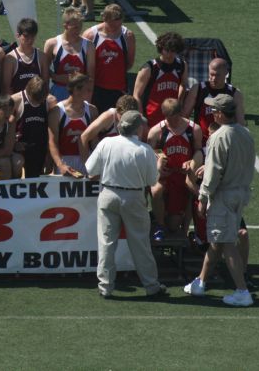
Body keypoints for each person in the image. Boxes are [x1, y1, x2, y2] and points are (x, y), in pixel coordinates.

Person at [86, 110, 167, 298]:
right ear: (138, 128)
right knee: (140, 244)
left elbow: (90, 169)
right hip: (133, 197)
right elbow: (152, 180)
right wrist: (159, 166)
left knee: (106, 243)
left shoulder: (106, 143)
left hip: (108, 193)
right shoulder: (144, 150)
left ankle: (105, 286)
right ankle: (151, 286)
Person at [183, 95, 255, 306]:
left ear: (222, 114)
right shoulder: (246, 133)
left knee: (224, 242)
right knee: (217, 240)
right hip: (241, 192)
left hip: (224, 195)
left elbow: (213, 172)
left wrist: (203, 198)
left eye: (214, 110)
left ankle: (242, 291)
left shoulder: (218, 137)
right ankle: (200, 282)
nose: (212, 113)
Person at [146, 98, 203, 240]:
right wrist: (158, 160)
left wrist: (192, 162)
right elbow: (148, 153)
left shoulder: (193, 129)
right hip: (165, 175)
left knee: (173, 225)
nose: (171, 123)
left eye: (175, 119)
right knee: (156, 189)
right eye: (168, 119)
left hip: (183, 176)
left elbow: (199, 151)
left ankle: (185, 230)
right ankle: (159, 225)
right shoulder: (156, 132)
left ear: (180, 114)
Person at [82, 3, 135, 112]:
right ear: (104, 19)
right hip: (96, 88)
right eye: (112, 25)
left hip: (119, 89)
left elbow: (129, 63)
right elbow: (83, 63)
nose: (115, 28)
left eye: (118, 25)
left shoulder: (127, 36)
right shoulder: (91, 35)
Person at [182, 58, 245, 144]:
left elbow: (240, 124)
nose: (213, 78)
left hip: (225, 141)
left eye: (217, 75)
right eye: (211, 74)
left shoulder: (235, 93)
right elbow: (185, 117)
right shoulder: (197, 89)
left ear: (226, 73)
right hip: (201, 142)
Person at [133, 31, 188, 127]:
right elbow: (136, 95)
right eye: (167, 50)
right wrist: (141, 118)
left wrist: (179, 102)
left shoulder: (182, 65)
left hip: (172, 116)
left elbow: (183, 84)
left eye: (173, 51)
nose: (169, 54)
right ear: (161, 49)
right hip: (150, 117)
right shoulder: (149, 67)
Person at [48, 73, 98, 176]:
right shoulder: (57, 111)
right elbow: (52, 142)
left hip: (86, 161)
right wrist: (60, 165)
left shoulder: (92, 110)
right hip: (64, 162)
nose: (90, 92)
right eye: (87, 90)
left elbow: (94, 142)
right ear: (76, 90)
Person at [44, 8, 94, 101]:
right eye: (75, 27)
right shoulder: (51, 43)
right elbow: (44, 71)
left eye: (80, 26)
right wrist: (55, 78)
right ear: (65, 26)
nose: (78, 30)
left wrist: (88, 98)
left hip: (80, 92)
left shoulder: (89, 45)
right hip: (58, 92)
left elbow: (90, 76)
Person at [13, 76, 57, 178]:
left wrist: (49, 156)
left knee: (36, 180)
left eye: (42, 100)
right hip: (19, 147)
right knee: (16, 164)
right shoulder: (15, 100)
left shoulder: (50, 101)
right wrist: (14, 144)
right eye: (36, 100)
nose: (40, 103)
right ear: (28, 92)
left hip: (39, 148)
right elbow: (4, 128)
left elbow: (53, 132)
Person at [79, 93, 138, 162]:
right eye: (123, 116)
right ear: (117, 111)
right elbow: (83, 138)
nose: (126, 120)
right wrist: (87, 168)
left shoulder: (136, 118)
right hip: (103, 159)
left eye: (129, 117)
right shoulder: (108, 117)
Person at [2, 17, 49, 95]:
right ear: (18, 35)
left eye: (32, 36)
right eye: (26, 36)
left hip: (37, 103)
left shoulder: (42, 57)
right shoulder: (10, 59)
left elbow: (46, 85)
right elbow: (6, 88)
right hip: (18, 104)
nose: (30, 40)